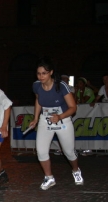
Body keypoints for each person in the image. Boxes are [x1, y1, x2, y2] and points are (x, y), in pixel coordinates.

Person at [28, 57, 83, 190]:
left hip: (63, 120)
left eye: (44, 73)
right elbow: (38, 101)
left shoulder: (60, 86)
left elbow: (73, 107)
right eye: (39, 73)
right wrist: (35, 118)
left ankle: (76, 170)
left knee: (68, 152)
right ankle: (49, 177)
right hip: (45, 120)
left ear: (51, 72)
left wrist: (60, 116)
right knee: (41, 151)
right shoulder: (36, 85)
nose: (41, 76)